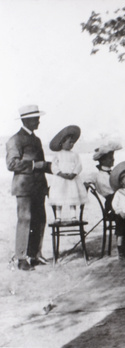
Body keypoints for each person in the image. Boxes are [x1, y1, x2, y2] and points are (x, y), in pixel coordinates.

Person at [6, 105, 53, 270]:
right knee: (25, 220)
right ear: (26, 120)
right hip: (24, 187)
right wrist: (35, 164)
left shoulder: (36, 139)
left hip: (39, 187)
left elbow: (41, 165)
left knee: (40, 220)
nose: (39, 121)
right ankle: (21, 259)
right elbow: (11, 164)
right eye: (36, 118)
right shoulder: (15, 140)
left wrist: (56, 168)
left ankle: (35, 255)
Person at [48, 125, 88, 222]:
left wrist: (73, 174)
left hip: (72, 179)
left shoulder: (74, 154)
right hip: (60, 179)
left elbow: (79, 165)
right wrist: (60, 174)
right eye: (69, 142)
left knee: (72, 197)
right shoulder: (58, 154)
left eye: (73, 143)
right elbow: (54, 166)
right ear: (62, 143)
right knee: (58, 198)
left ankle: (73, 216)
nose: (71, 144)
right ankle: (58, 216)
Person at [84, 141, 122, 211]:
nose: (113, 159)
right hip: (111, 202)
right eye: (110, 157)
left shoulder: (115, 173)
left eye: (113, 157)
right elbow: (85, 183)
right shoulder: (96, 175)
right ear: (102, 161)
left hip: (121, 199)